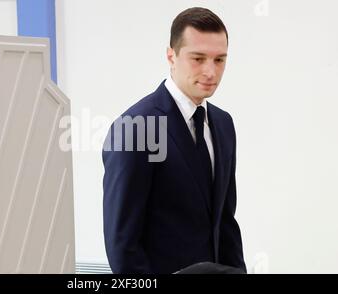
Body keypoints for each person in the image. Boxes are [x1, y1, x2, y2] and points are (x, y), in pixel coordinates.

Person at [102, 7, 246, 274]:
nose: (210, 72)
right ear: (171, 55)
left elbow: (225, 222)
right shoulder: (137, 127)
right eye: (198, 58)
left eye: (219, 60)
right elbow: (122, 244)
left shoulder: (223, 124)